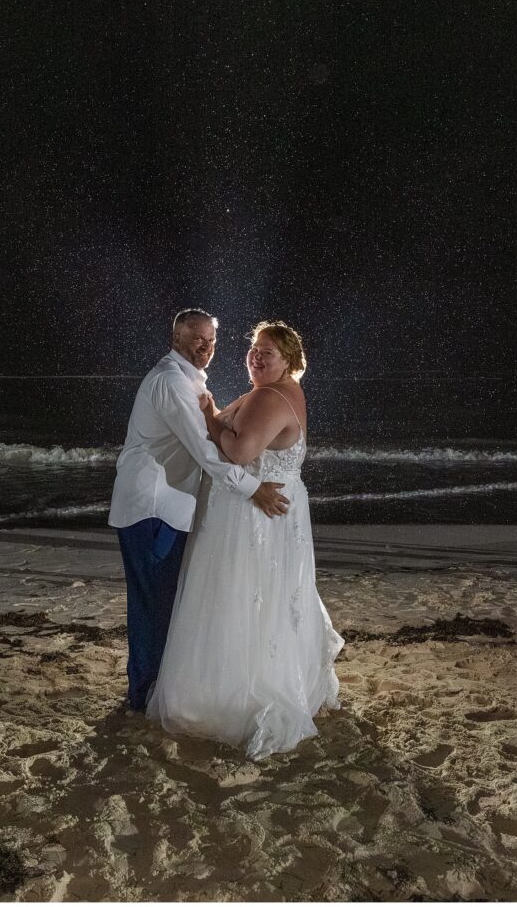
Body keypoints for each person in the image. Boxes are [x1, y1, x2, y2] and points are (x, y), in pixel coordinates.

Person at [146, 320, 345, 761]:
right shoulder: (277, 391)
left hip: (255, 514)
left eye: (267, 352)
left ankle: (231, 695)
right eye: (254, 349)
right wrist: (213, 415)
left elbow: (238, 451)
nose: (256, 356)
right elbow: (230, 429)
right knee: (269, 596)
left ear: (288, 360)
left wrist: (205, 417)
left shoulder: (270, 396)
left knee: (241, 594)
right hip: (271, 509)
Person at [108, 309, 291, 712]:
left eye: (211, 340)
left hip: (169, 505)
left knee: (164, 601)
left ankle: (153, 690)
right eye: (197, 339)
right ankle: (142, 696)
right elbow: (204, 450)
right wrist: (252, 489)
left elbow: (210, 431)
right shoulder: (171, 381)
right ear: (176, 339)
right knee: (152, 605)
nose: (206, 347)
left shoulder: (191, 379)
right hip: (151, 507)